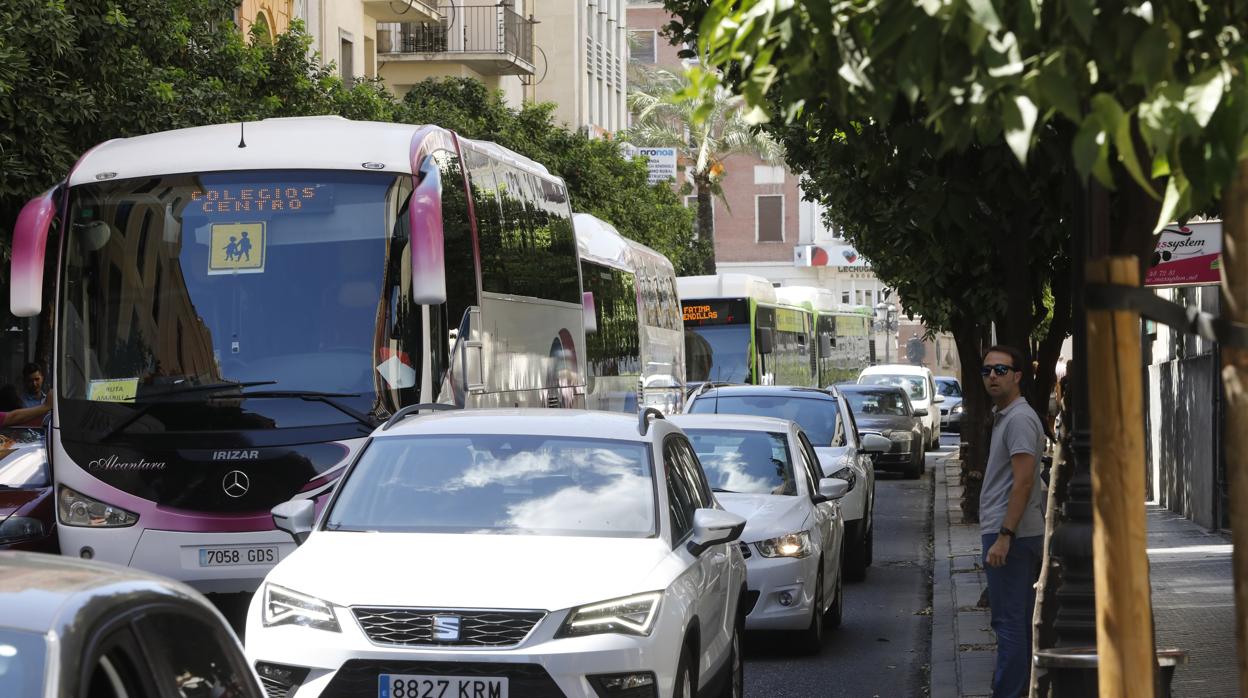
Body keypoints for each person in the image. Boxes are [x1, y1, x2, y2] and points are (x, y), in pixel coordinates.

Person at [979, 345, 1046, 698]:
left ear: (1017, 376)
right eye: (987, 370)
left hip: (1012, 535)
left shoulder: (1019, 419)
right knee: (1015, 621)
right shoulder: (1008, 415)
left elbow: (1022, 481)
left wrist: (1005, 534)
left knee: (1008, 623)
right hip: (1011, 532)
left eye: (1001, 370)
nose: (992, 376)